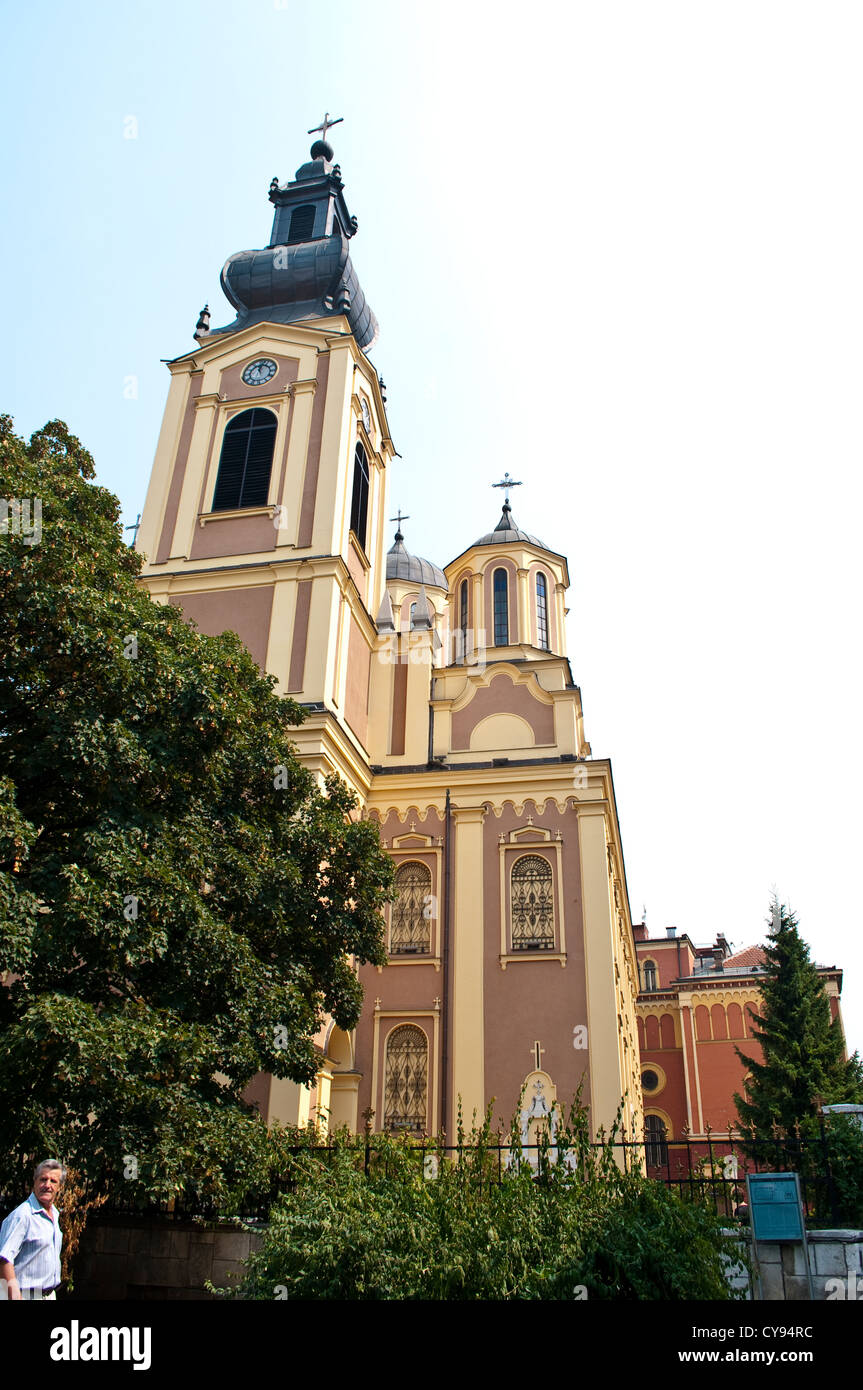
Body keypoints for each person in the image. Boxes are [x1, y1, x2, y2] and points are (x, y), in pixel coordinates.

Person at [0, 1160, 65, 1300]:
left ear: (60, 1187)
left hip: (48, 1294)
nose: (47, 1185)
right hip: (24, 1295)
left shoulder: (55, 1214)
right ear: (34, 1182)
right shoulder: (23, 1216)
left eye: (53, 1181)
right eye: (43, 1179)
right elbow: (4, 1260)